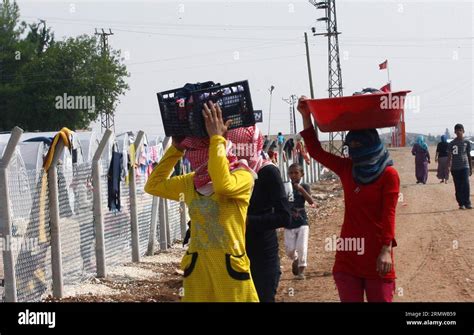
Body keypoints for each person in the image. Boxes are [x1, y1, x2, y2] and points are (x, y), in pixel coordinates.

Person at [144, 101, 259, 302]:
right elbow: (153, 185)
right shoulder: (191, 182)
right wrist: (176, 150)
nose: (192, 156)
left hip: (230, 273)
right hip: (198, 273)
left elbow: (223, 185)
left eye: (195, 151)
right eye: (189, 152)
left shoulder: (242, 177)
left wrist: (216, 139)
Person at [297, 96, 399, 303]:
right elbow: (315, 151)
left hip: (377, 256)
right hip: (348, 256)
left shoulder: (389, 175)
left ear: (371, 144)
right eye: (350, 146)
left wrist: (386, 250)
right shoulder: (348, 168)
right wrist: (306, 116)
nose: (354, 151)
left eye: (358, 145)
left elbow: (388, 214)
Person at [226, 126, 291, 302]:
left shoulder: (267, 172)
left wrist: (248, 221)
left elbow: (284, 216)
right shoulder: (230, 171)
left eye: (242, 146)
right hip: (233, 253)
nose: (239, 151)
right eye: (234, 146)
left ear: (254, 144)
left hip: (261, 256)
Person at [284, 163, 314, 280]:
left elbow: (311, 202)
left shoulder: (304, 186)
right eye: (291, 173)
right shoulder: (286, 187)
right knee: (289, 250)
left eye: (296, 173)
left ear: (302, 174)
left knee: (302, 247)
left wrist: (300, 189)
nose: (293, 175)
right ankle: (295, 259)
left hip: (302, 221)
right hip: (289, 222)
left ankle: (301, 271)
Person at [447, 124, 472, 210]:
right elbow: (449, 157)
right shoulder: (451, 144)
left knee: (466, 184)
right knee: (458, 186)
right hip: (455, 168)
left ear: (463, 131)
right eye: (457, 130)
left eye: (460, 130)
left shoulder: (466, 142)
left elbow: (468, 155)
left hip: (465, 167)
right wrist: (448, 167)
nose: (458, 132)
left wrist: (471, 168)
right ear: (455, 132)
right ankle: (461, 203)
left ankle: (467, 202)